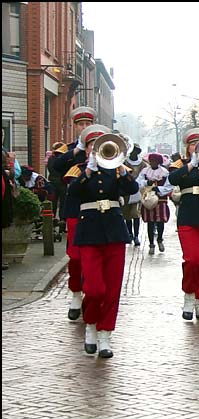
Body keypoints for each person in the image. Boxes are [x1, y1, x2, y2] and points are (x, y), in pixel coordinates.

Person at [67, 130, 139, 358]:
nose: (95, 150)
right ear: (88, 149)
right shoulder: (80, 171)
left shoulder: (116, 170)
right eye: (91, 146)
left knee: (112, 287)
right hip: (89, 232)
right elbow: (73, 192)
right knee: (94, 288)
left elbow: (132, 189)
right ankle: (90, 326)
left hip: (114, 231)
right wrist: (88, 170)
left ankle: (105, 334)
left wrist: (120, 169)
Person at [53, 106, 97, 320]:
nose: (84, 128)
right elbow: (55, 167)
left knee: (95, 256)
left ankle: (93, 294)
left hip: (98, 213)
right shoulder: (68, 150)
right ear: (75, 126)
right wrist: (78, 150)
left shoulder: (105, 150)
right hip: (75, 211)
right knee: (76, 256)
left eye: (88, 124)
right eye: (81, 124)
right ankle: (76, 294)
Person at [168, 128, 199, 321]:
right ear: (187, 146)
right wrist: (191, 165)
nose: (196, 147)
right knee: (192, 259)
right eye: (192, 144)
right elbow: (172, 179)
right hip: (188, 216)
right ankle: (188, 295)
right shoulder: (180, 164)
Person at [136, 153, 173, 255]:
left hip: (160, 199)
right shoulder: (145, 171)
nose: (152, 163)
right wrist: (145, 183)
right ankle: (151, 244)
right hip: (148, 198)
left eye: (154, 161)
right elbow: (138, 182)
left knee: (160, 221)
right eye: (151, 161)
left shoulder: (164, 172)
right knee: (150, 222)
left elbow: (169, 185)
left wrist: (159, 189)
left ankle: (160, 239)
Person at [122, 143, 147, 246]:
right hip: (127, 191)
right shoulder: (124, 162)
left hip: (139, 190)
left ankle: (136, 235)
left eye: (135, 151)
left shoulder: (143, 164)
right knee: (127, 214)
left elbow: (146, 175)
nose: (133, 153)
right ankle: (130, 233)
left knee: (135, 213)